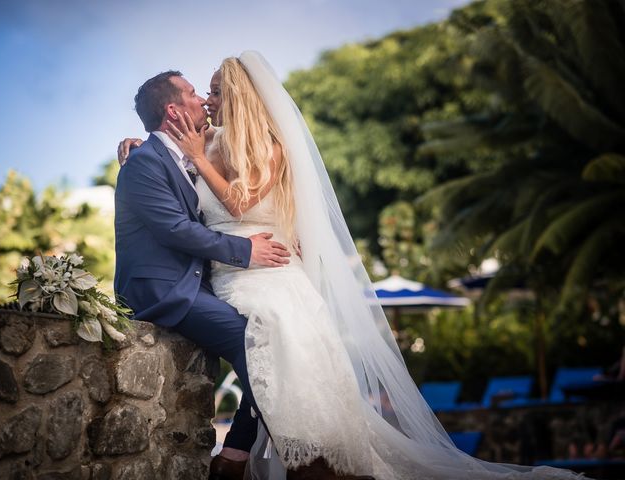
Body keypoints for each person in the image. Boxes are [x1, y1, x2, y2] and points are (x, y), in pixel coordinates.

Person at [119, 52, 585, 479]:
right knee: (269, 348)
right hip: (226, 270)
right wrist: (142, 146)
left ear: (238, 96)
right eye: (202, 93)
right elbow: (171, 175)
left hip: (264, 265)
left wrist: (198, 160)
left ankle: (274, 455)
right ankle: (260, 454)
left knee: (279, 344)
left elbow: (239, 202)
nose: (206, 98)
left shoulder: (267, 147)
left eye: (215, 91)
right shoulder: (204, 142)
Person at [113, 69, 292, 480]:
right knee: (256, 345)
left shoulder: (179, 153)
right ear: (174, 110)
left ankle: (237, 453)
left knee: (271, 340)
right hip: (163, 290)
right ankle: (236, 457)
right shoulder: (145, 163)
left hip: (195, 282)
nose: (203, 101)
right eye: (195, 93)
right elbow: (176, 229)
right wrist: (247, 249)